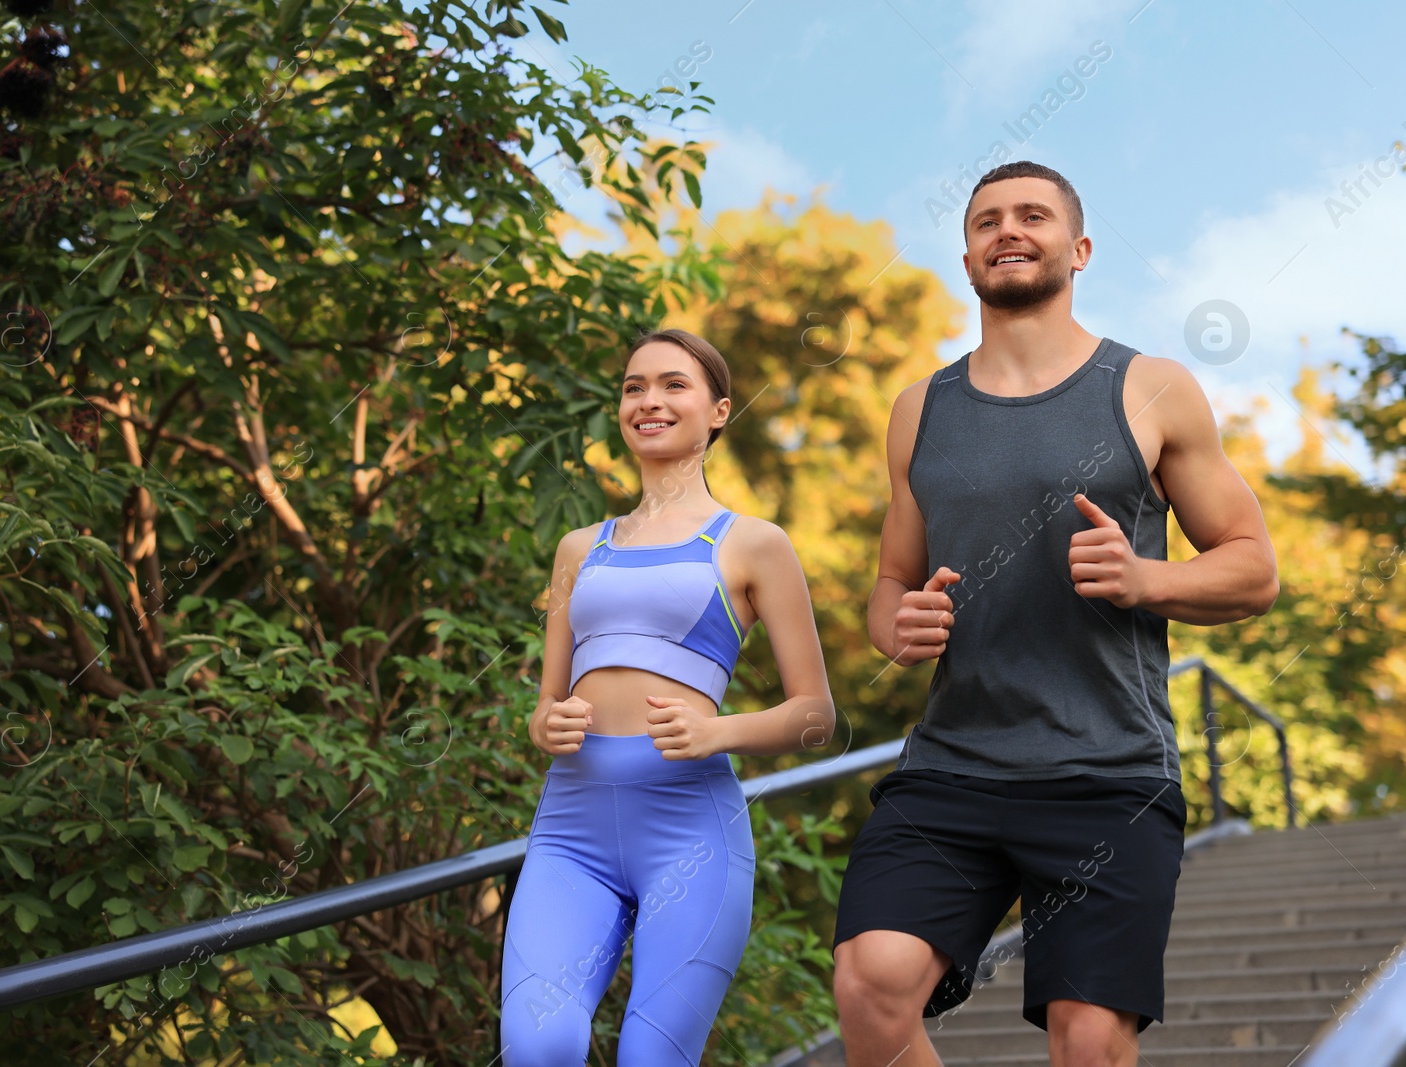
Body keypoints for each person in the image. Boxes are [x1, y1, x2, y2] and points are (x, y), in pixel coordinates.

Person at [831, 161, 1279, 1067]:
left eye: (1033, 215)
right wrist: (898, 627)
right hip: (955, 765)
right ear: (966, 258)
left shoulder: (1149, 387)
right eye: (988, 220)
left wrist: (1146, 580)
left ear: (1077, 249)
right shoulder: (920, 407)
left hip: (1107, 770)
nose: (1009, 229)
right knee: (871, 980)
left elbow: (1253, 568)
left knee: (1088, 1038)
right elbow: (890, 583)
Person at [500, 327, 837, 1066]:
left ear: (718, 410)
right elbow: (543, 708)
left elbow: (816, 714)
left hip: (689, 831)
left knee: (652, 1058)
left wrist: (719, 732)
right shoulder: (578, 547)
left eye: (672, 385)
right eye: (633, 386)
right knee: (538, 1047)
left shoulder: (753, 543)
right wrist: (545, 722)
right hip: (571, 829)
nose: (649, 400)